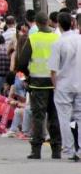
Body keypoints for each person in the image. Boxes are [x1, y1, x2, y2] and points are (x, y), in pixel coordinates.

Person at [16, 11, 62, 160]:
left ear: (36, 23)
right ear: (48, 22)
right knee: (54, 116)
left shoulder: (33, 38)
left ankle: (36, 150)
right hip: (55, 83)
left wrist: (28, 75)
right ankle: (56, 149)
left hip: (37, 84)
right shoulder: (57, 38)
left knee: (38, 117)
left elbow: (22, 62)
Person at [48, 11, 81, 161]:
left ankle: (69, 149)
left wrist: (55, 86)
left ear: (59, 25)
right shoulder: (79, 39)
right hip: (79, 83)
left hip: (63, 84)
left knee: (64, 118)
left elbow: (53, 70)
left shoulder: (58, 43)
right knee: (80, 118)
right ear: (73, 23)